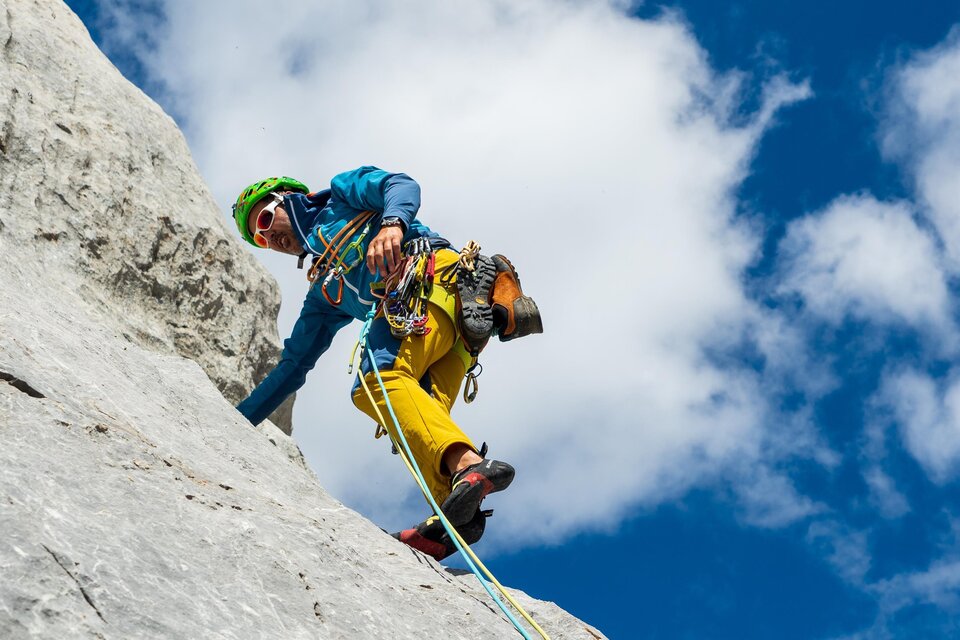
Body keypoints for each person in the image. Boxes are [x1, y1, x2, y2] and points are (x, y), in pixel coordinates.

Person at [231, 166, 542, 560]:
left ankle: (466, 467)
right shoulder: (326, 289)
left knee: (376, 383)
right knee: (414, 416)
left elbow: (400, 184)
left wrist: (392, 224)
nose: (269, 238)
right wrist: (234, 422)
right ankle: (453, 512)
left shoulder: (342, 198)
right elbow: (292, 367)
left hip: (429, 284)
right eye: (260, 240)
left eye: (263, 220)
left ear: (290, 199)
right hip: (452, 330)